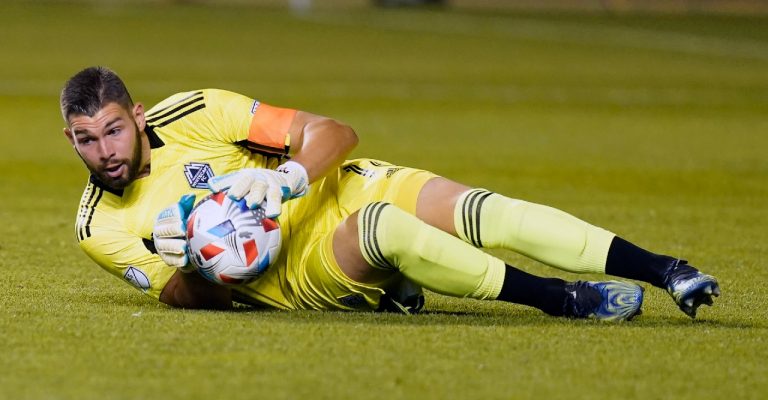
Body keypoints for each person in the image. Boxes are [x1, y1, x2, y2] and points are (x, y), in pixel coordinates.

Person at [61, 66, 719, 321]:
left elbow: (330, 131)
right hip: (299, 270)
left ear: (139, 116)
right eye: (86, 140)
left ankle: (667, 271)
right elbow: (193, 299)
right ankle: (563, 300)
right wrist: (195, 263)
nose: (105, 152)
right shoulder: (97, 227)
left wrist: (288, 175)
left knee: (483, 211)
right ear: (71, 140)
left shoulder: (196, 110)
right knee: (384, 227)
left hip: (336, 187)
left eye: (114, 130)